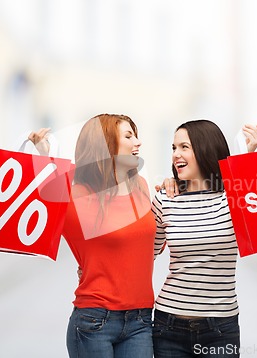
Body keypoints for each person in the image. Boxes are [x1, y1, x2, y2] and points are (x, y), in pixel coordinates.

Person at [29, 114, 155, 358]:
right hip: (94, 321)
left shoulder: (141, 185)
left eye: (136, 134)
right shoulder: (75, 194)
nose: (138, 142)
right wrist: (45, 158)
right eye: (129, 136)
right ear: (105, 144)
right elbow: (34, 209)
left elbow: (150, 246)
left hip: (140, 320)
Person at [151, 120, 257, 358]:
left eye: (184, 147)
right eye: (173, 148)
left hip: (220, 328)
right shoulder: (166, 198)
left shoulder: (234, 198)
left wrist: (249, 153)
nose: (176, 154)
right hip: (168, 325)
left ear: (205, 149)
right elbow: (145, 253)